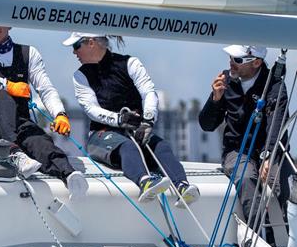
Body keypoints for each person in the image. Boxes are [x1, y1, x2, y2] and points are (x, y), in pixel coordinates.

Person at [199, 44, 297, 247]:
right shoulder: (226, 81)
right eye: (230, 58)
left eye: (237, 59)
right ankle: (265, 244)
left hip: (272, 150)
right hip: (238, 151)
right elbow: (207, 125)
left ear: (255, 62)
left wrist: (269, 155)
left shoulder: (274, 84)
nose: (230, 63)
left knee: (288, 184)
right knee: (246, 180)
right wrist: (215, 99)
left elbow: (277, 122)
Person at [64, 32, 199, 205]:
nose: (74, 53)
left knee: (162, 146)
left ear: (91, 43)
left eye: (76, 46)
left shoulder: (130, 63)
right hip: (101, 136)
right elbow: (91, 109)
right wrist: (119, 119)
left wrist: (148, 120)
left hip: (135, 131)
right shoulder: (80, 76)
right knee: (127, 146)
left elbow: (149, 92)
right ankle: (145, 182)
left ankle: (182, 186)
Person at [0, 25, 88, 198]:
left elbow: (46, 89)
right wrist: (8, 85)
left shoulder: (29, 53)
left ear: (9, 24)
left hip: (18, 123)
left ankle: (70, 175)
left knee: (41, 142)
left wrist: (60, 114)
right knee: (2, 96)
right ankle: (14, 153)